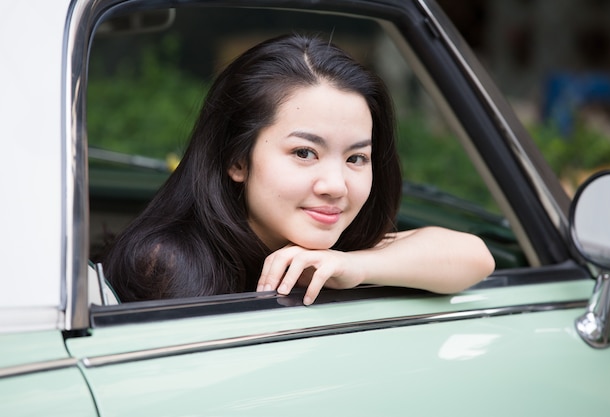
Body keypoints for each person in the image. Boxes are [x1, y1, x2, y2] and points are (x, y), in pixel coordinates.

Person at [104, 33, 495, 305]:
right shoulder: (167, 265)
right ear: (236, 159)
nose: (336, 185)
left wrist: (354, 266)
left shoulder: (338, 249)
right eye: (305, 153)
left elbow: (476, 257)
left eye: (356, 158)